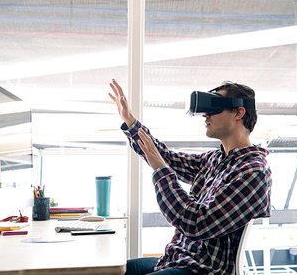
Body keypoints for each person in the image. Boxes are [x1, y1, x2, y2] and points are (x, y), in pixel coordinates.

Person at [108, 79, 272, 275]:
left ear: (238, 112)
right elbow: (166, 158)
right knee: (106, 271)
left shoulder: (252, 172)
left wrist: (160, 170)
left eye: (214, 107)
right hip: (177, 259)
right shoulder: (215, 160)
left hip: (201, 269)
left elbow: (196, 223)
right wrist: (130, 121)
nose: (205, 115)